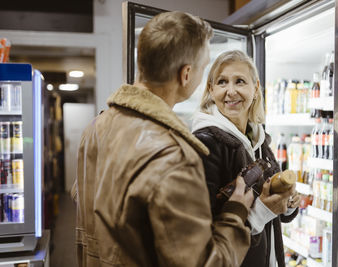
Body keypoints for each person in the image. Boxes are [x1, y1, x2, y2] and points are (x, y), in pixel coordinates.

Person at [73, 12, 255, 267]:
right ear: (186, 74)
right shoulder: (174, 155)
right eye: (204, 67)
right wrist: (236, 213)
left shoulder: (96, 127)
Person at [192, 50, 300, 267]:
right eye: (222, 82)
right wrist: (263, 211)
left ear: (256, 88)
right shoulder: (204, 144)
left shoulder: (260, 141)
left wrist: (288, 204)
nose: (231, 92)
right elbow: (202, 233)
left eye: (240, 81)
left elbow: (277, 215)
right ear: (211, 90)